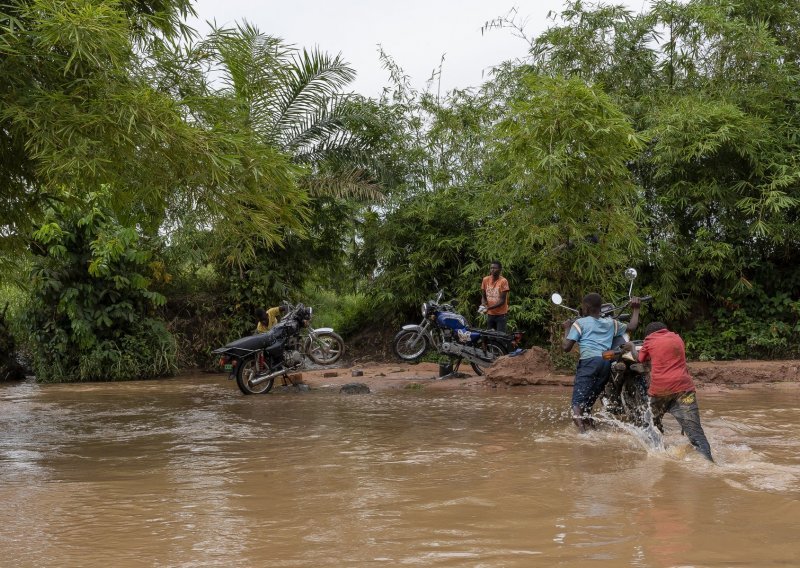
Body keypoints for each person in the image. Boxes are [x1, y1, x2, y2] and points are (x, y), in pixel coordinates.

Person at [631, 322, 714, 461]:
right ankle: (709, 463)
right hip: (684, 389)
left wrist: (632, 347)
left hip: (660, 390)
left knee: (649, 423)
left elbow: (639, 359)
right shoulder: (677, 338)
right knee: (696, 434)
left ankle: (658, 455)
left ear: (649, 334)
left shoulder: (649, 340)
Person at [562, 293, 641, 433]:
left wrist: (567, 328)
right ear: (600, 308)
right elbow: (632, 326)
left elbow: (566, 347)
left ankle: (583, 436)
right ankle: (592, 429)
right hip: (605, 363)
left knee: (576, 406)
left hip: (589, 362)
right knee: (587, 404)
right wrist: (636, 309)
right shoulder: (611, 323)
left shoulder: (580, 323)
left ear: (585, 308)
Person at [480, 261, 510, 332]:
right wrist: (483, 304)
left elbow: (502, 301)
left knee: (500, 337)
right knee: (490, 336)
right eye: (491, 268)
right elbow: (483, 296)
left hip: (501, 315)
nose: (492, 270)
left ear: (500, 269)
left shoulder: (503, 281)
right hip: (490, 314)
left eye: (495, 268)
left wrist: (488, 308)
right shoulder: (485, 280)